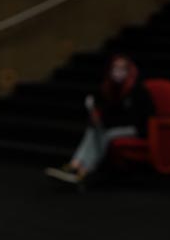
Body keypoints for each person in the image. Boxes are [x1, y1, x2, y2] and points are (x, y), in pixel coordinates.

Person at [44, 54, 155, 185]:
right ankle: (74, 165)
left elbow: (138, 118)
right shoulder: (110, 88)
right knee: (93, 130)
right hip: (114, 126)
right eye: (115, 68)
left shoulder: (138, 90)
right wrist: (97, 117)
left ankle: (85, 171)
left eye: (122, 68)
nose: (118, 72)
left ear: (129, 70)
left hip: (136, 128)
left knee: (106, 134)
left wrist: (109, 123)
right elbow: (110, 113)